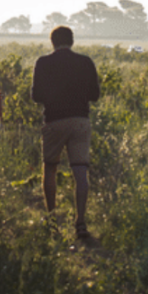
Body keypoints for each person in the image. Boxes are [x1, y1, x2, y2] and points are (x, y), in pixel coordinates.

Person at [31, 26, 100, 239]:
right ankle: (80, 223)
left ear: (52, 42)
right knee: (80, 172)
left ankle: (52, 220)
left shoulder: (43, 63)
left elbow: (36, 96)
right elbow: (95, 95)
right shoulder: (86, 62)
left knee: (50, 168)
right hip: (80, 120)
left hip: (54, 120)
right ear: (72, 41)